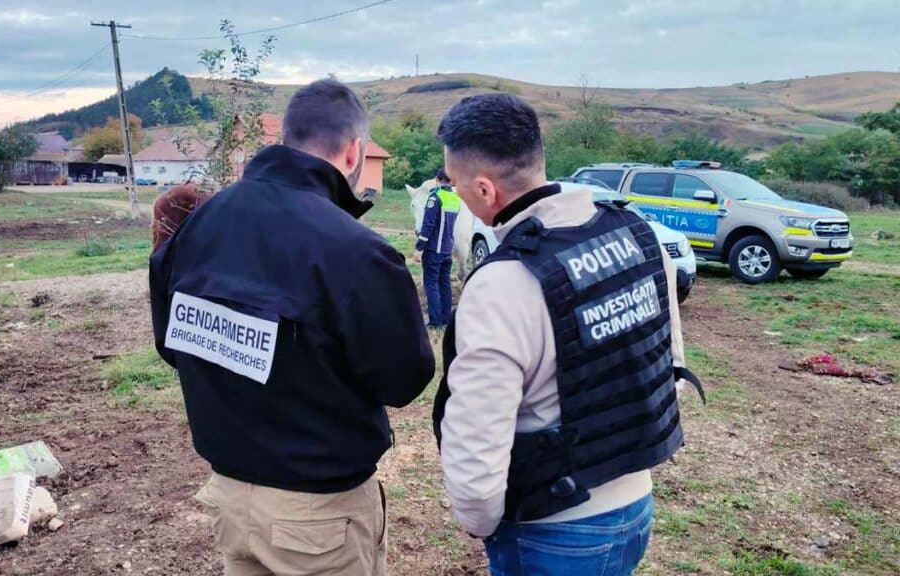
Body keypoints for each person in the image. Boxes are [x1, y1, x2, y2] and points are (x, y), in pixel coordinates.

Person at [150, 79, 435, 576]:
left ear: (285, 138)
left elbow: (173, 343)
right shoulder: (356, 251)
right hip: (319, 518)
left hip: (231, 499)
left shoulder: (202, 221)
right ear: (353, 153)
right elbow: (404, 380)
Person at [431, 94, 703, 575]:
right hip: (634, 505)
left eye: (455, 184)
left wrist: (482, 520)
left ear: (484, 190)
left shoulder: (503, 284)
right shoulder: (637, 234)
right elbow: (667, 367)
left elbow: (477, 445)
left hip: (551, 530)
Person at [414, 168, 461, 329]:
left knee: (431, 284)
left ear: (437, 179)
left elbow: (428, 225)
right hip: (448, 249)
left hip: (434, 249)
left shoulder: (435, 197)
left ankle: (434, 322)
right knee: (445, 283)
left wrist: (419, 247)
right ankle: (445, 319)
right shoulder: (455, 199)